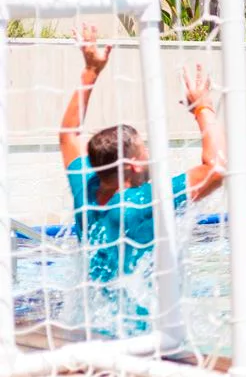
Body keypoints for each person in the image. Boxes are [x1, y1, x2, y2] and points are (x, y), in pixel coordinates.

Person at [61, 25, 225, 283]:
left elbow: (68, 134)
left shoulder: (86, 190)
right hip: (143, 310)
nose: (149, 153)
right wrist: (203, 108)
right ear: (134, 164)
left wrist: (91, 71)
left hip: (93, 306)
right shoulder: (145, 201)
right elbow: (217, 169)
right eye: (143, 149)